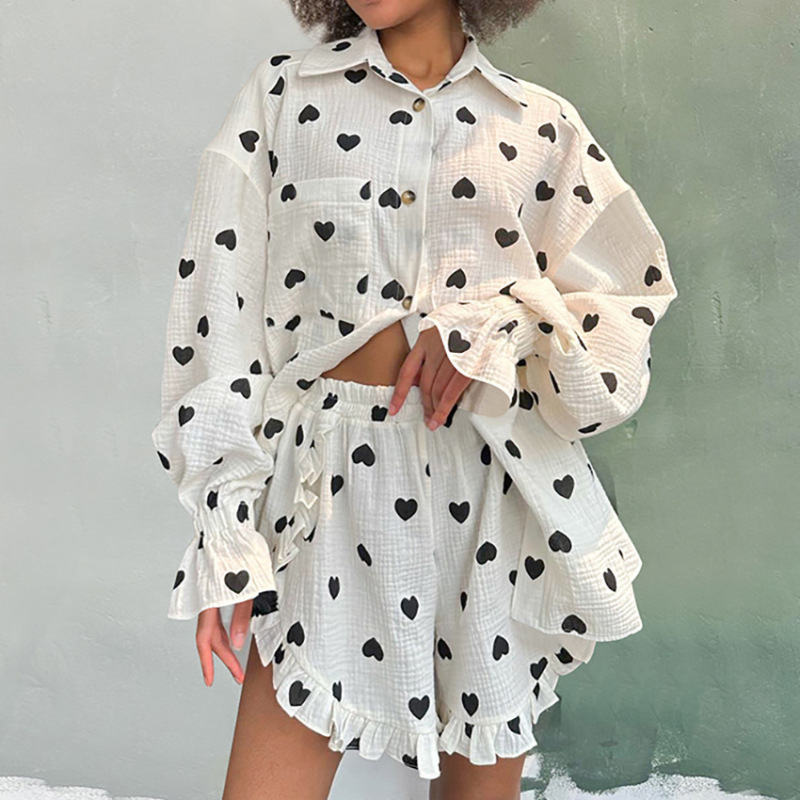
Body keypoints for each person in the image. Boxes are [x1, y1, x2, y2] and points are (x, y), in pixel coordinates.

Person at [150, 0, 678, 797]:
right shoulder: (284, 97)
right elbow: (215, 319)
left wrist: (500, 324)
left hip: (490, 495)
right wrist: (227, 532)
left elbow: (624, 309)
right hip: (329, 496)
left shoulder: (538, 125)